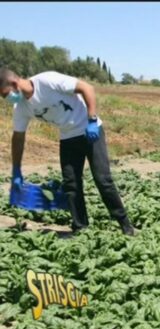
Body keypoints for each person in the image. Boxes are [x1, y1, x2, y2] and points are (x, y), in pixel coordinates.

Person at [0, 68, 136, 236]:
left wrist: (92, 119)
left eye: (4, 94)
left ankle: (125, 224)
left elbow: (87, 88)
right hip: (68, 137)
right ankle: (80, 227)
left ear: (14, 84)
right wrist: (16, 170)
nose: (5, 98)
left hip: (89, 130)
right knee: (71, 184)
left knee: (103, 179)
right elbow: (18, 137)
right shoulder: (20, 107)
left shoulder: (47, 80)